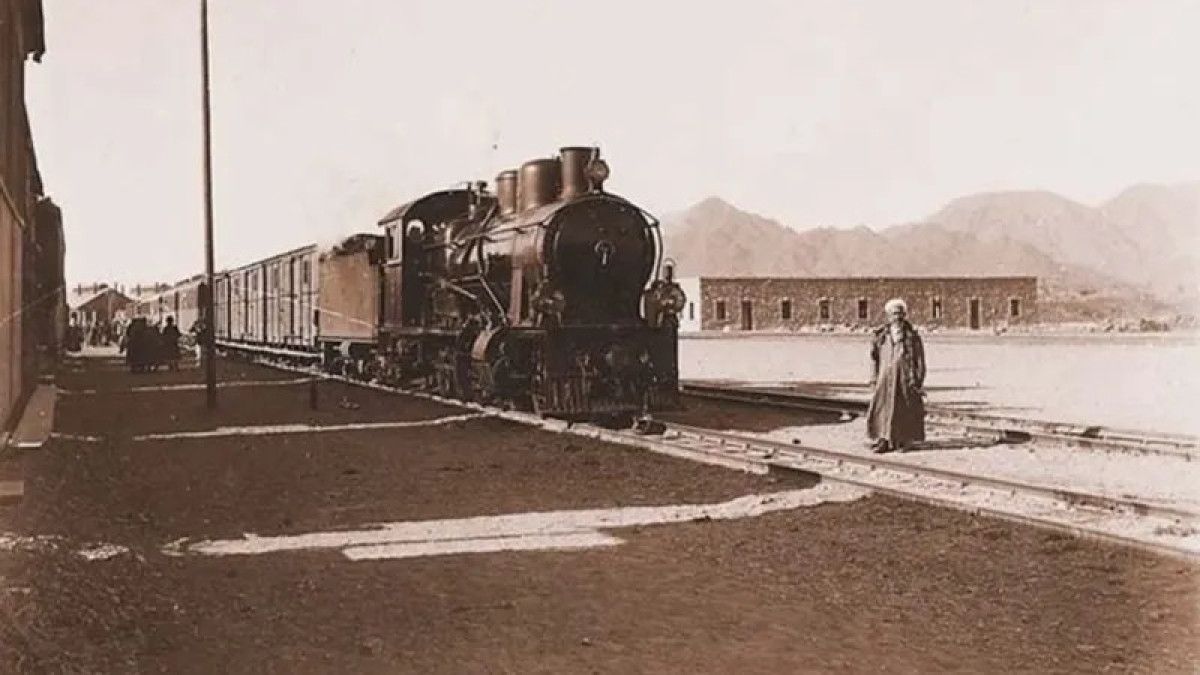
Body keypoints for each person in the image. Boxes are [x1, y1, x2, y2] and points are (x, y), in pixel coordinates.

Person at [866, 298, 926, 453]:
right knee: (882, 409)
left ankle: (903, 441)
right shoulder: (881, 336)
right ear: (888, 316)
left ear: (904, 315)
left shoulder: (912, 336)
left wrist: (918, 380)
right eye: (894, 314)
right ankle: (883, 440)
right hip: (885, 379)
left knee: (904, 409)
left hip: (905, 379)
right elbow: (874, 359)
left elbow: (919, 360)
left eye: (900, 313)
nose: (897, 317)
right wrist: (873, 378)